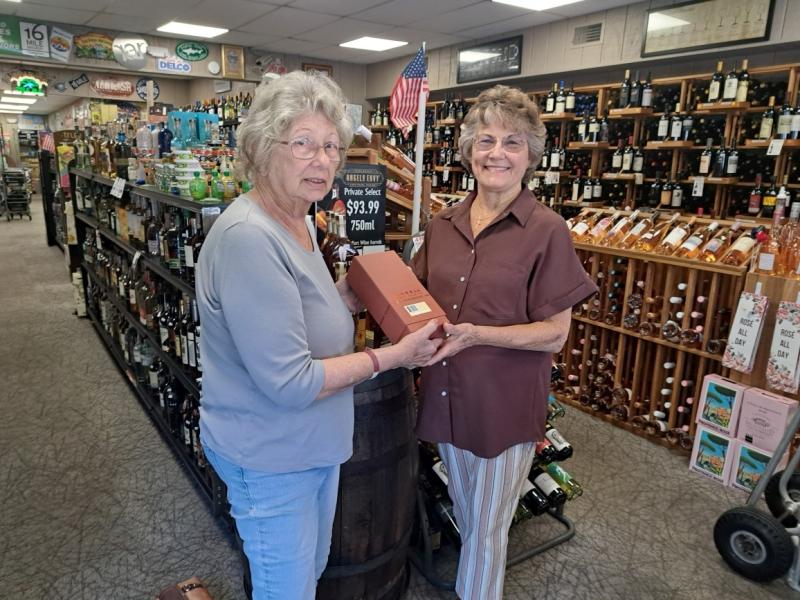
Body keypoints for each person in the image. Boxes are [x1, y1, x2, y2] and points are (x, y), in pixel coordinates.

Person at [195, 70, 442, 600]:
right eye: (304, 143)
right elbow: (289, 381)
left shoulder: (299, 221)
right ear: (263, 147)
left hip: (308, 447)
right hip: (270, 457)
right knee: (287, 590)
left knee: (308, 573)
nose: (323, 160)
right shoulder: (247, 240)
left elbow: (296, 308)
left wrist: (346, 295)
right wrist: (392, 357)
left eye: (332, 146)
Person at [411, 84, 597, 600]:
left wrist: (476, 335)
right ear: (469, 150)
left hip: (503, 406)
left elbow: (555, 334)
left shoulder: (547, 230)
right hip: (446, 399)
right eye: (486, 140)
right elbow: (414, 298)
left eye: (512, 142)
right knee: (472, 518)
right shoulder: (442, 225)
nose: (497, 153)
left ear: (531, 156)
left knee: (487, 532)